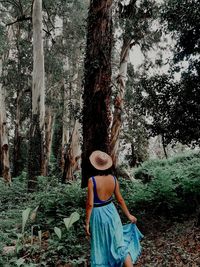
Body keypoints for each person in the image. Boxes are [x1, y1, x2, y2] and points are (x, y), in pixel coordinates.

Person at [85, 150, 144, 267]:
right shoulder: (113, 179)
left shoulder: (92, 181)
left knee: (100, 245)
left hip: (98, 214)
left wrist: (87, 222)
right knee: (119, 244)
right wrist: (129, 215)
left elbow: (90, 204)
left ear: (94, 165)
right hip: (111, 212)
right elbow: (120, 200)